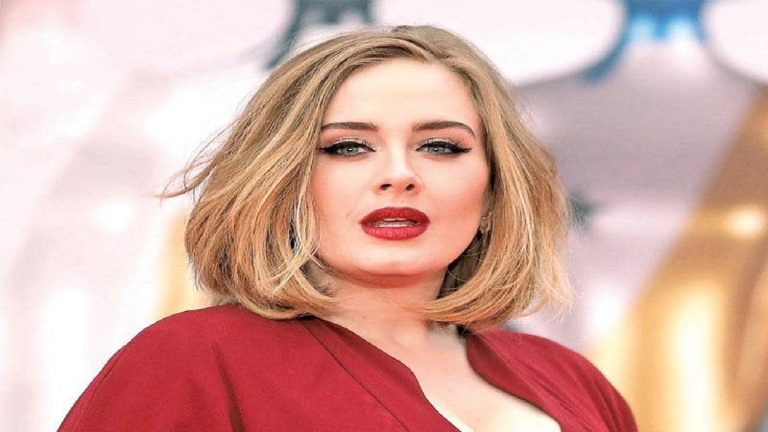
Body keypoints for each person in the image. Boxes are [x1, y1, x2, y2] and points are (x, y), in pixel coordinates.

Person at [58, 25, 636, 431]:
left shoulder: (570, 378)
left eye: (440, 146)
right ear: (283, 183)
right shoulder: (189, 361)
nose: (399, 174)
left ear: (494, 193)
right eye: (348, 147)